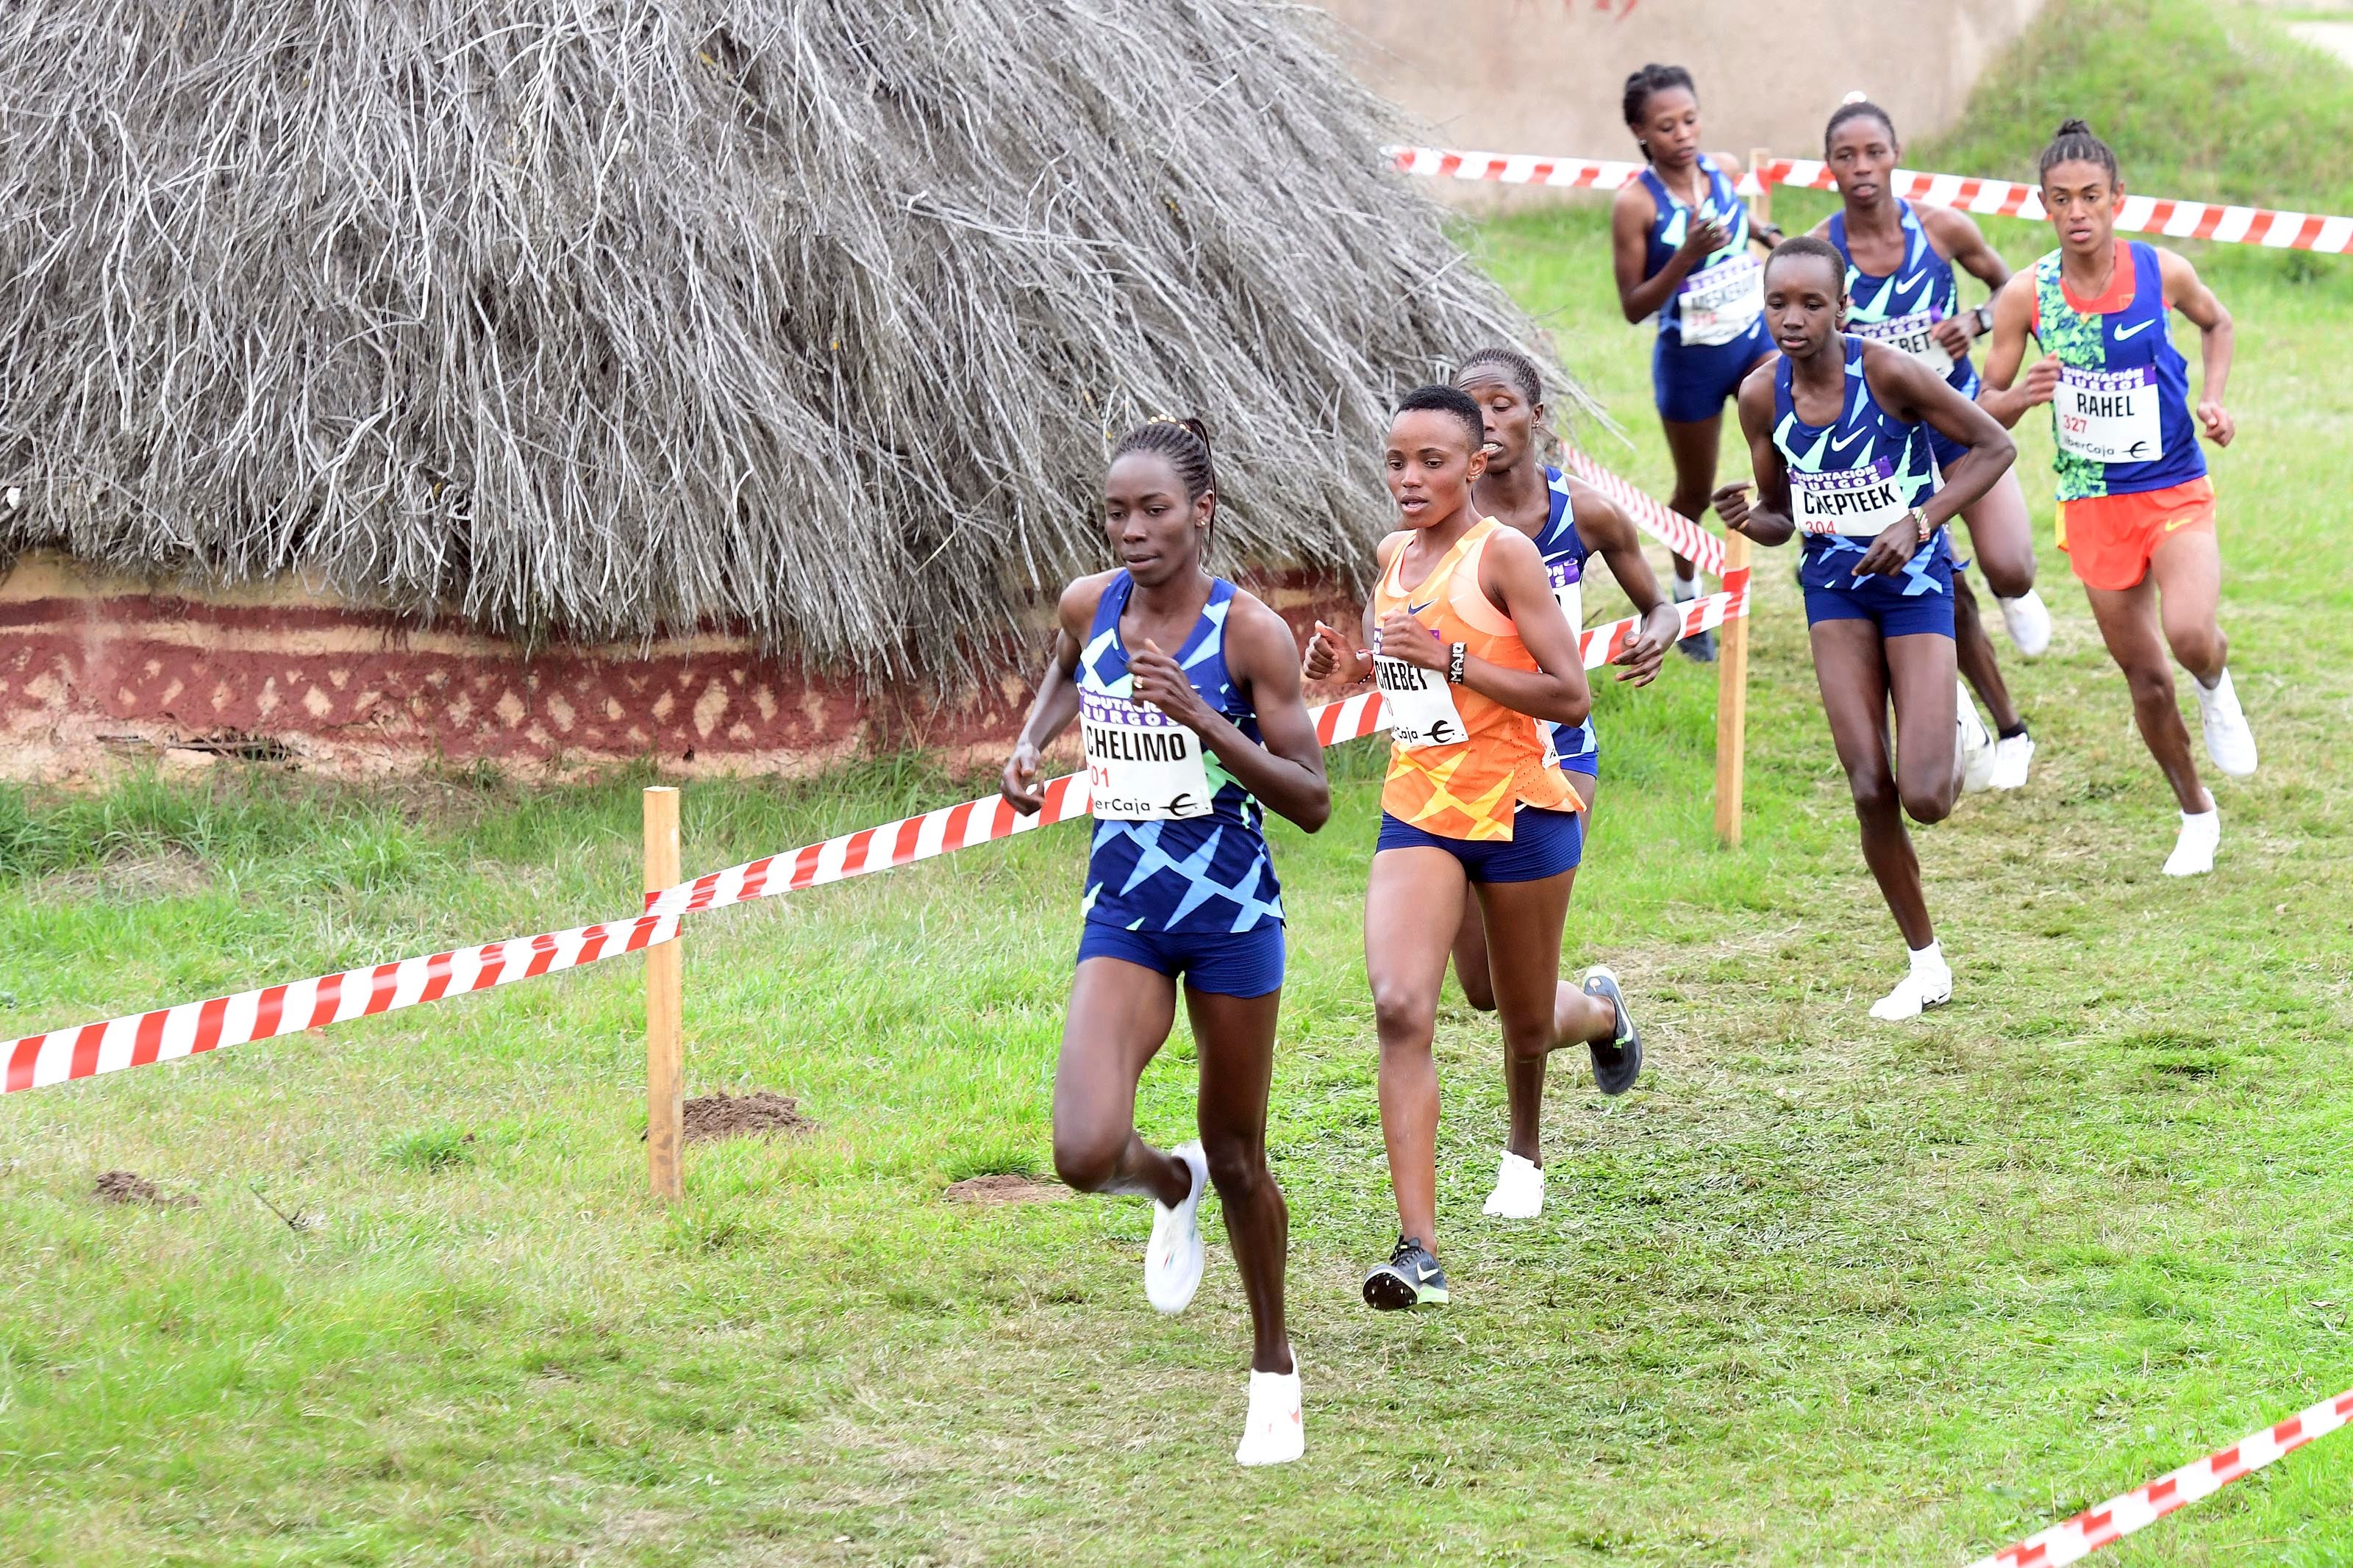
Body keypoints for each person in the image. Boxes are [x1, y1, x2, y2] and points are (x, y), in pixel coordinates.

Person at [1001, 418, 1330, 1465]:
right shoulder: (1088, 603)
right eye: (1117, 513)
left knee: (1238, 1153)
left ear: (1203, 511)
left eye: (1154, 510)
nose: (1133, 530)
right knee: (1083, 1151)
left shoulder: (1249, 634)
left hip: (1230, 916)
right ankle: (1166, 1187)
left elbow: (1313, 799)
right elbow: (1068, 668)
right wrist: (1029, 742)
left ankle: (1273, 1369)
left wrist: (1203, 719)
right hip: (1126, 911)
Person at [1304, 386, 1640, 1309]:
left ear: (1474, 464)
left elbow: (1568, 694)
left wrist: (1450, 659)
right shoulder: (1390, 557)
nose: (1409, 479)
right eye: (1396, 462)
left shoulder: (1505, 556)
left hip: (1519, 809)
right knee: (1398, 1006)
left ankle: (1599, 1015)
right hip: (1419, 809)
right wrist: (1348, 670)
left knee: (1519, 1020)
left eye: (1432, 461)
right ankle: (1417, 1250)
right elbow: (1401, 671)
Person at [1712, 238, 2018, 1020]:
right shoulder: (1759, 396)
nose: (1792, 318)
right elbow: (1780, 514)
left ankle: (1957, 723)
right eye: (1778, 303)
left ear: (1841, 307)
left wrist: (1919, 522)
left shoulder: (1886, 373)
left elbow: (1995, 446)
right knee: (1868, 787)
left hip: (1914, 585)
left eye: (1811, 303)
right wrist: (1749, 518)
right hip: (1833, 592)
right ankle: (1925, 965)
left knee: (1926, 797)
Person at [1977, 119, 2257, 876]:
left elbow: (2217, 322)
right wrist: (2022, 395)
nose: (2077, 212)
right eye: (2062, 199)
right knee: (2146, 680)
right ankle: (2195, 812)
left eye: (2091, 196)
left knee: (2190, 635)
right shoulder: (2026, 295)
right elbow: (1983, 404)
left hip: (2172, 485)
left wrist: (2215, 398)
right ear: (2043, 204)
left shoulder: (2160, 271)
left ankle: (2216, 684)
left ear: (2117, 198)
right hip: (2093, 501)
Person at [1448, 345, 1679, 1218]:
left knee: (1520, 990)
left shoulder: (1582, 513)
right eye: (1471, 410)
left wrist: (1656, 631)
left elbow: (1658, 602)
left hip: (1557, 759)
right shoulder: (1448, 525)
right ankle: (1603, 1015)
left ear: (1535, 417)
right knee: (1485, 991)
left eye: (1502, 405)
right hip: (1463, 766)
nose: (1487, 423)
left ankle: (1522, 1158)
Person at [1815, 98, 2055, 792]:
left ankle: (2013, 592)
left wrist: (1975, 319)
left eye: (1874, 153)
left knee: (2009, 565)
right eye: (1846, 156)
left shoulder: (1942, 228)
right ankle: (2009, 729)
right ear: (1829, 167)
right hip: (1886, 453)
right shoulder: (1823, 251)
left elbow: (2011, 287)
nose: (1862, 168)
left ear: (1896, 155)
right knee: (1947, 592)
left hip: (1958, 423)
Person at [1611, 62, 1780, 664]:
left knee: (1797, 425)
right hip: (1690, 362)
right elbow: (1634, 306)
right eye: (1666, 126)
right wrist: (1685, 256)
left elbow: (1733, 215)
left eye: (1690, 120)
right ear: (1640, 132)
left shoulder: (1722, 170)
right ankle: (1685, 594)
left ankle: (1806, 532)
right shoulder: (1635, 204)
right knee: (1694, 490)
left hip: (1751, 338)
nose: (1683, 134)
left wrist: (1764, 233)